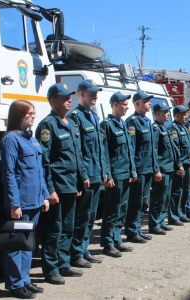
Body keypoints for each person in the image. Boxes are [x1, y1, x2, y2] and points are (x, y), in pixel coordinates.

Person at [36, 83, 86, 285]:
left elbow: (77, 154)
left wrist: (81, 181)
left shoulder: (71, 123)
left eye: (70, 96)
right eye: (65, 97)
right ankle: (50, 269)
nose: (69, 100)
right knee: (53, 229)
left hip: (71, 185)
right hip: (57, 187)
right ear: (53, 100)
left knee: (68, 227)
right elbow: (44, 161)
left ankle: (64, 263)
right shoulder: (47, 125)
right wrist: (49, 190)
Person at [1, 100, 50, 299]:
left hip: (35, 201)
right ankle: (15, 284)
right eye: (29, 113)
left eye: (33, 113)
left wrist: (45, 196)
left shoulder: (31, 139)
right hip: (21, 202)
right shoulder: (11, 140)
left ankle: (25, 280)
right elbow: (9, 173)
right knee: (17, 244)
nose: (33, 116)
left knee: (28, 243)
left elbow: (40, 171)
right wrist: (14, 203)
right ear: (19, 115)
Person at [68, 79, 106, 268]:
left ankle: (84, 249)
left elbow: (100, 148)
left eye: (96, 92)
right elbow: (78, 151)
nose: (95, 95)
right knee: (82, 216)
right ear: (81, 94)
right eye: (91, 93)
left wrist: (104, 170)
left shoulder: (94, 117)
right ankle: (76, 253)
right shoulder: (75, 117)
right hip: (87, 176)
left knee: (91, 216)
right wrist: (84, 175)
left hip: (97, 174)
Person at [100, 92, 137, 257]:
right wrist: (107, 175)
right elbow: (104, 152)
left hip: (125, 174)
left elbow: (130, 151)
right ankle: (108, 243)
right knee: (112, 210)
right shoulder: (106, 125)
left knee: (122, 209)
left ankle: (116, 240)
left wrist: (132, 169)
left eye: (127, 104)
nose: (127, 107)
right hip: (115, 175)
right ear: (115, 104)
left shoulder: (122, 124)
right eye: (124, 104)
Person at [125, 90, 161, 243]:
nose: (149, 103)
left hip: (148, 168)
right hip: (139, 169)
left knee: (143, 202)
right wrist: (133, 170)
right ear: (137, 103)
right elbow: (131, 148)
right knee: (136, 201)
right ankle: (132, 232)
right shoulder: (132, 122)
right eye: (146, 101)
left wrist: (155, 168)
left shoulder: (147, 122)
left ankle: (137, 229)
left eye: (149, 101)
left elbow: (153, 149)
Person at [149, 102, 181, 234]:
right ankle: (154, 224)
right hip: (162, 169)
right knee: (158, 198)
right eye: (165, 111)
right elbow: (154, 151)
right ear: (157, 114)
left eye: (168, 111)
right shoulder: (155, 129)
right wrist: (157, 169)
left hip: (169, 168)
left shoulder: (164, 128)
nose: (168, 114)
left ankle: (161, 222)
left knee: (165, 197)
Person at [168, 105, 190, 224]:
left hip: (187, 164)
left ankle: (182, 213)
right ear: (176, 116)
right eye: (184, 114)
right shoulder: (173, 129)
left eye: (186, 114)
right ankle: (174, 216)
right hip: (179, 166)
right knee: (177, 191)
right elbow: (175, 149)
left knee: (185, 190)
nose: (186, 116)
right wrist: (179, 164)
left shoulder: (183, 128)